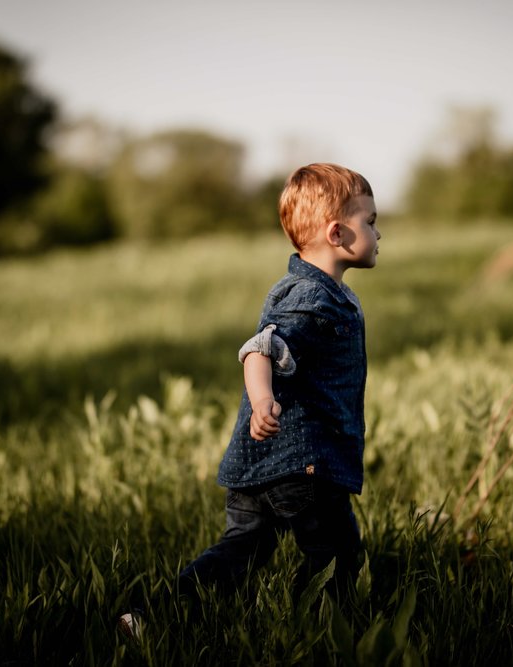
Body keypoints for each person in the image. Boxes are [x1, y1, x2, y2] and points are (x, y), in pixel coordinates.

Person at [119, 163, 380, 637]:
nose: (380, 233)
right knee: (338, 555)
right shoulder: (309, 296)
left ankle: (151, 618)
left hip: (260, 459)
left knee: (243, 550)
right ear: (338, 232)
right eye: (371, 221)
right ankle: (327, 633)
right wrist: (262, 402)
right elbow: (261, 348)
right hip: (304, 463)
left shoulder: (320, 290)